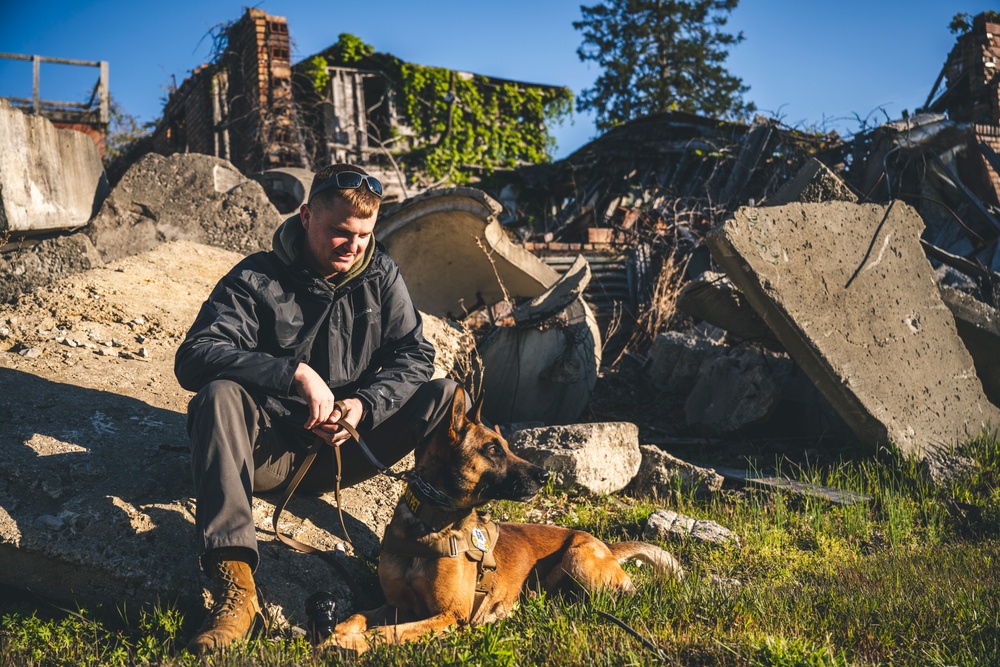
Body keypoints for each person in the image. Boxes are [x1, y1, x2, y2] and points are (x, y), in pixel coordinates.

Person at [175, 163, 456, 655]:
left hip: (351, 451)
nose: (353, 247)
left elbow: (414, 356)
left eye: (365, 235)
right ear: (305, 217)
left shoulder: (381, 274)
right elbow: (195, 355)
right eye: (340, 233)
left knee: (448, 397)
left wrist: (363, 407)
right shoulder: (256, 277)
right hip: (267, 457)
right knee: (217, 396)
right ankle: (236, 595)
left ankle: (432, 551)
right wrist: (294, 373)